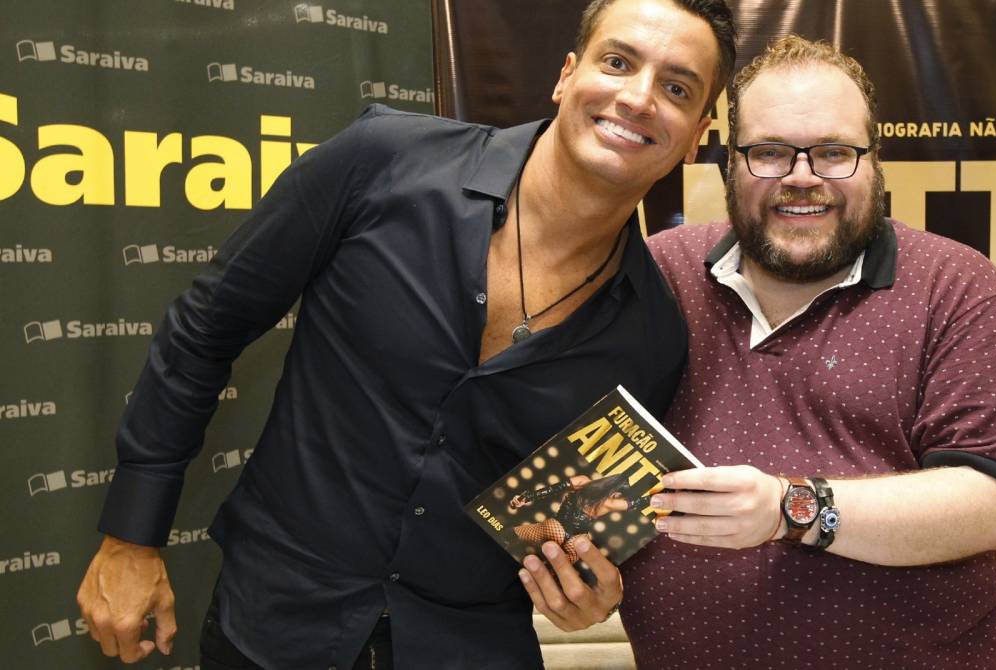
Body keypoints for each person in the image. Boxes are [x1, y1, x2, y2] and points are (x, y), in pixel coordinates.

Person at [75, 1, 735, 668]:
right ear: (567, 75)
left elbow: (577, 521)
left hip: (468, 647)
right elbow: (204, 330)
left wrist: (590, 589)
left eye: (677, 88)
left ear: (699, 131)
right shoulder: (380, 162)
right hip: (272, 625)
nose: (637, 98)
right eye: (617, 62)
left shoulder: (651, 337)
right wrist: (131, 537)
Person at [619, 35, 996, 669]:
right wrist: (585, 569)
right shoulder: (657, 273)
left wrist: (789, 509)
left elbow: (984, 505)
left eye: (835, 152)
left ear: (875, 162)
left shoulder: (956, 288)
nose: (803, 178)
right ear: (729, 161)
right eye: (770, 153)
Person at [510, 474, 650, 564]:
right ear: (615, 491)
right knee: (551, 571)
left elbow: (553, 489)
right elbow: (640, 502)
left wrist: (527, 498)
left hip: (556, 527)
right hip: (577, 542)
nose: (617, 496)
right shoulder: (612, 503)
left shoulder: (583, 481)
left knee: (510, 536)